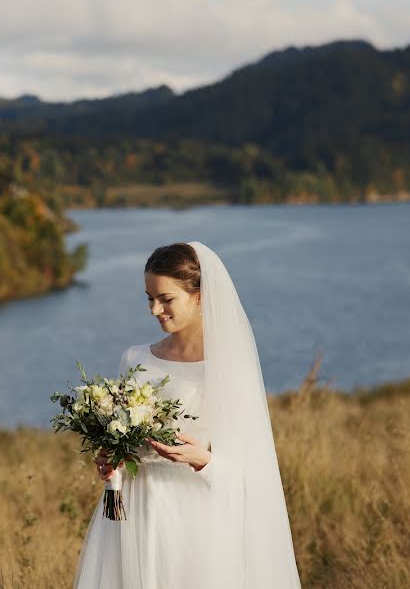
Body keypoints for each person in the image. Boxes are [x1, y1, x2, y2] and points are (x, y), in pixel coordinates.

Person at [74, 242, 301, 588]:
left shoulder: (227, 368)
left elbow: (251, 474)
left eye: (166, 299)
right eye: (149, 298)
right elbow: (125, 439)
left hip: (192, 515)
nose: (154, 309)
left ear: (198, 296)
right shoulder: (134, 359)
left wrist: (201, 459)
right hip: (131, 511)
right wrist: (112, 459)